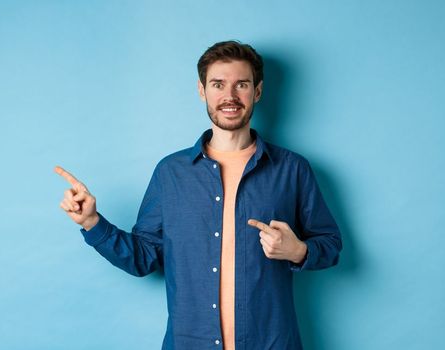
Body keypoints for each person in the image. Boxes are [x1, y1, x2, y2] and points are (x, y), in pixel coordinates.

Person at [55, 40, 342, 350]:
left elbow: (330, 245)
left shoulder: (292, 169)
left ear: (257, 92)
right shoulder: (171, 173)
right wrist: (91, 222)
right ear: (202, 90)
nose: (229, 96)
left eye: (241, 84)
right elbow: (143, 258)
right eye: (218, 84)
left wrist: (297, 250)